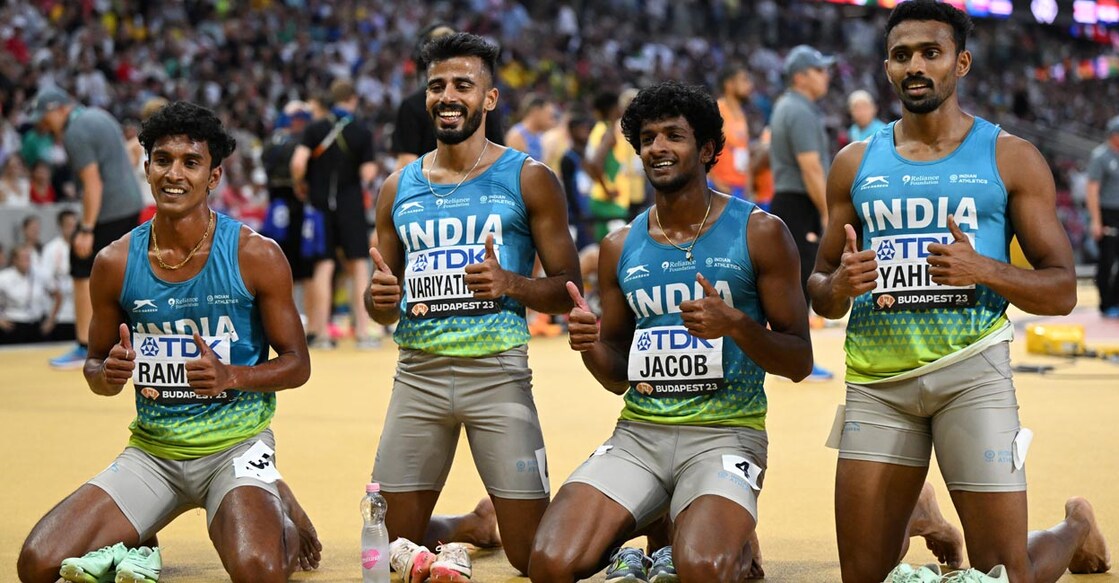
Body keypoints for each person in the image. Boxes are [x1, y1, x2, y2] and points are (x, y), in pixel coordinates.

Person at [808, 2, 1111, 581]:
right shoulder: (854, 164)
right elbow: (820, 290)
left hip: (971, 375)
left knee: (1005, 573)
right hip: (878, 381)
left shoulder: (1011, 157)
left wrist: (985, 269)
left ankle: (1075, 527)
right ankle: (924, 514)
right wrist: (839, 285)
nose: (915, 66)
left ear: (961, 62)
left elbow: (1062, 290)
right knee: (860, 577)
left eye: (931, 52)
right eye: (902, 55)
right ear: (888, 68)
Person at [16, 101, 321, 583]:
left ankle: (273, 497)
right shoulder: (115, 263)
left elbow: (297, 364)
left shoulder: (256, 255)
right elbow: (95, 369)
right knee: (37, 564)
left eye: (190, 162)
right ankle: (142, 525)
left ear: (214, 175)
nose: (174, 174)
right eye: (163, 160)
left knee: (258, 571)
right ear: (146, 166)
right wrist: (108, 372)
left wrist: (231, 376)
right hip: (153, 454)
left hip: (235, 447)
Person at [528, 80, 813, 583]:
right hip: (640, 435)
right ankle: (661, 522)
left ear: (705, 149)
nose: (657, 147)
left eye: (673, 136)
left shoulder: (760, 232)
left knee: (701, 569)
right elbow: (619, 374)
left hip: (727, 435)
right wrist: (590, 344)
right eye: (648, 137)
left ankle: (727, 541)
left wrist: (736, 325)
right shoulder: (619, 247)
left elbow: (798, 361)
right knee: (550, 564)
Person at [366, 32, 580, 581]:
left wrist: (510, 282)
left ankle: (495, 524)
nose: (448, 95)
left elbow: (567, 287)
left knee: (533, 558)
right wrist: (379, 299)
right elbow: (380, 304)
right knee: (391, 550)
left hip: (498, 375)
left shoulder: (528, 178)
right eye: (437, 85)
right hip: (417, 377)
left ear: (489, 99)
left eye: (464, 84)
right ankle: (468, 525)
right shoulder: (398, 187)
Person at [28, 87, 143, 369]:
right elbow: (130, 155)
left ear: (59, 109)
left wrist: (87, 228)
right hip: (131, 203)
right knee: (123, 273)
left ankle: (84, 345)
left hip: (108, 209)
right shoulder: (98, 115)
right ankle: (127, 340)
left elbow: (93, 183)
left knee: (81, 262)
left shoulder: (75, 132)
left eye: (45, 117)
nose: (44, 125)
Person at [290, 79, 378, 349]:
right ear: (352, 99)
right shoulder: (361, 130)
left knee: (324, 266)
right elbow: (368, 173)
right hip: (350, 204)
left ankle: (321, 334)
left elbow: (298, 163)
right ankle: (363, 332)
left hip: (319, 206)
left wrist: (301, 185)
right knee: (359, 266)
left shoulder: (315, 128)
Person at [769, 44, 836, 381]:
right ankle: (795, 361)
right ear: (801, 76)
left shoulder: (789, 107)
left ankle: (790, 358)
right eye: (820, 69)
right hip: (799, 201)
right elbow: (810, 167)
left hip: (788, 200)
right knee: (799, 282)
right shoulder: (800, 110)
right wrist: (827, 212)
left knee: (792, 282)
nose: (826, 75)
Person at [391, 22, 503, 170]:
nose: (447, 98)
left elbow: (406, 162)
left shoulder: (411, 105)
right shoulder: (479, 99)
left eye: (462, 87)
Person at [261, 100, 315, 285]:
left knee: (278, 242)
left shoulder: (273, 139)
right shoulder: (301, 141)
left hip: (277, 198)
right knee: (296, 246)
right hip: (294, 196)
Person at [1086, 115, 1119, 319]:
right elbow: (1092, 190)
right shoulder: (1100, 156)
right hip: (1107, 213)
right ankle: (1105, 303)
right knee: (1107, 260)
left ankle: (1116, 299)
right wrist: (1096, 221)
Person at [709, 64, 754, 200]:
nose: (750, 85)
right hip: (721, 188)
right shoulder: (717, 110)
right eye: (744, 80)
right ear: (729, 84)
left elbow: (743, 150)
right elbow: (700, 147)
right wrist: (716, 182)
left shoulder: (741, 114)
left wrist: (748, 184)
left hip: (740, 188)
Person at [38, 208, 78, 342]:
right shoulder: (52, 248)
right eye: (68, 225)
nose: (72, 229)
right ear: (61, 226)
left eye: (74, 225)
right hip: (60, 313)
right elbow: (46, 278)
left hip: (79, 310)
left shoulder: (83, 247)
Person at [505, 95, 558, 162]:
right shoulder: (516, 135)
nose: (550, 120)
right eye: (547, 114)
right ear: (536, 111)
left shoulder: (541, 135)